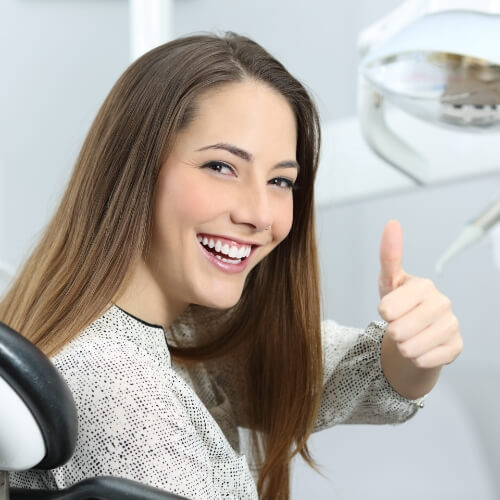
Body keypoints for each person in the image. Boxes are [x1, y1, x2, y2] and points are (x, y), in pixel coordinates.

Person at [1, 32, 463, 500]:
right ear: (135, 167)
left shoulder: (181, 330)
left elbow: (304, 369)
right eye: (221, 167)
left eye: (281, 180)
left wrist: (413, 351)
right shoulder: (117, 383)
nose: (260, 214)